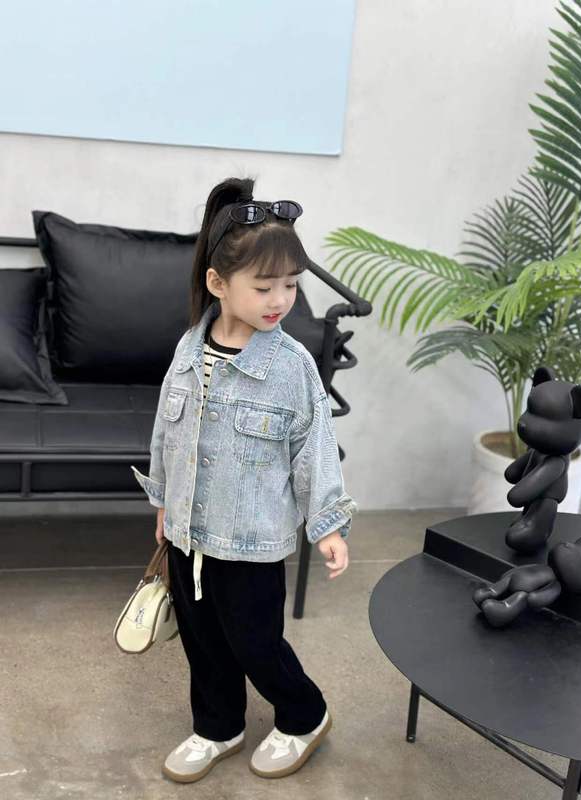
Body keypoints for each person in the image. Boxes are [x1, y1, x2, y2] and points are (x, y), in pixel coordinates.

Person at [131, 176, 358, 783]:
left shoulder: (292, 367)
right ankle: (217, 726)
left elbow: (314, 448)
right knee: (202, 640)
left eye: (291, 284)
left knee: (255, 641)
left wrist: (327, 525)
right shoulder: (189, 347)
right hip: (188, 533)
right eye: (263, 286)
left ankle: (304, 715)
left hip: (252, 541)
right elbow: (167, 431)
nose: (280, 299)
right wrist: (164, 502)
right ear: (218, 283)